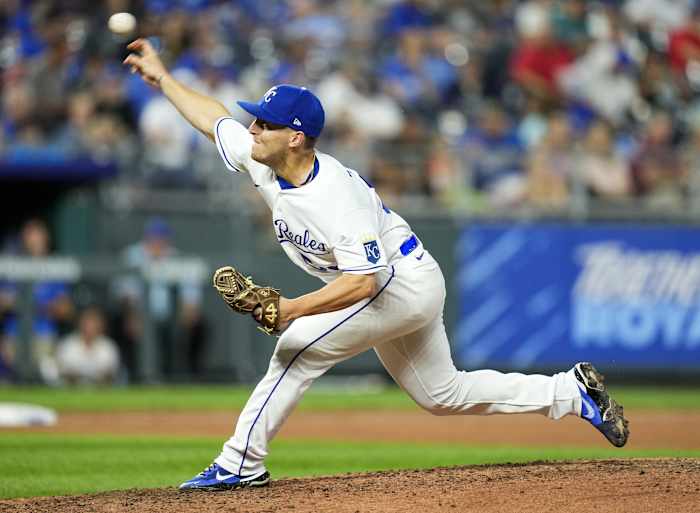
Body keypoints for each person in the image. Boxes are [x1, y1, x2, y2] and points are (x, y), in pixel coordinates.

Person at [124, 38, 630, 491]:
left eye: (264, 123)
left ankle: (240, 462)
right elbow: (213, 121)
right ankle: (571, 392)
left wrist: (293, 308)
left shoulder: (334, 197)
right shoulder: (264, 157)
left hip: (400, 285)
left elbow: (367, 280)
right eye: (255, 120)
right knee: (442, 393)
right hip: (394, 281)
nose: (252, 128)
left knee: (297, 348)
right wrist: (163, 78)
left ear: (296, 137)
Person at [55, 306, 120, 386]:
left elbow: (110, 372)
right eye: (87, 324)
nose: (89, 328)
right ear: (80, 324)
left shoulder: (108, 346)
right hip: (72, 389)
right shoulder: (68, 344)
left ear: (100, 326)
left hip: (100, 390)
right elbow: (63, 370)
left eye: (93, 324)